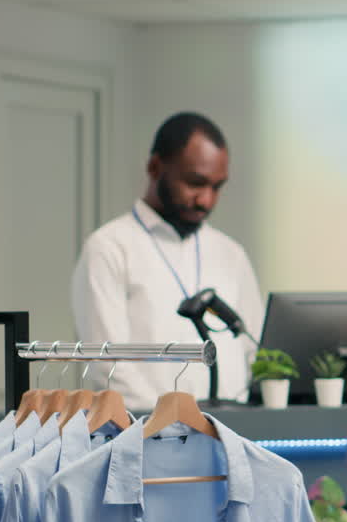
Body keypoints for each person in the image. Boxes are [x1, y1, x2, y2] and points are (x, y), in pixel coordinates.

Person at [70, 112, 263, 410]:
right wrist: (174, 425)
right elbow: (108, 364)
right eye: (195, 183)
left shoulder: (231, 254)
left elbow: (254, 350)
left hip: (231, 438)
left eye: (217, 187)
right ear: (155, 166)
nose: (206, 200)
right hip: (149, 439)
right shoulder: (108, 248)